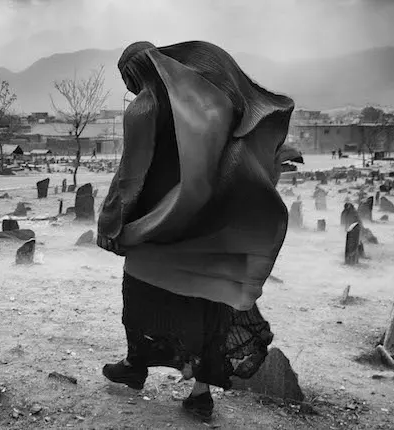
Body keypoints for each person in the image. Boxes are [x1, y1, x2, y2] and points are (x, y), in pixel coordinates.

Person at [96, 41, 301, 422]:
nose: (127, 86)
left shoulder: (144, 107)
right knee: (208, 299)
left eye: (127, 77)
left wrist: (110, 221)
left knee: (139, 291)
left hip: (161, 225)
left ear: (137, 71)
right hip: (212, 222)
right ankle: (201, 393)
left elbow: (131, 175)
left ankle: (136, 364)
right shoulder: (210, 102)